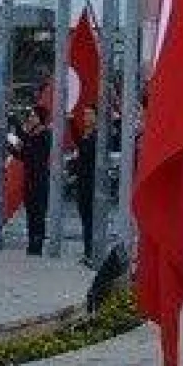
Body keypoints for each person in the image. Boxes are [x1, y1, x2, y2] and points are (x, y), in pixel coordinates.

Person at [19, 107, 52, 256]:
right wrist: (11, 146)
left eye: (33, 116)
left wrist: (23, 134)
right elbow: (24, 156)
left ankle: (37, 244)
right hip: (29, 179)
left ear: (40, 119)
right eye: (30, 116)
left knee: (39, 213)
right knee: (30, 213)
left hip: (40, 180)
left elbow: (35, 154)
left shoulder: (44, 135)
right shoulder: (31, 136)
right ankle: (31, 242)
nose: (30, 119)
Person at [74, 107, 99, 262]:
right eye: (85, 114)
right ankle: (87, 251)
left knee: (90, 218)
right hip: (82, 181)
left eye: (90, 114)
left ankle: (91, 252)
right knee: (84, 217)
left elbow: (86, 150)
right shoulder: (86, 135)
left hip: (91, 182)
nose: (86, 117)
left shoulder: (97, 136)